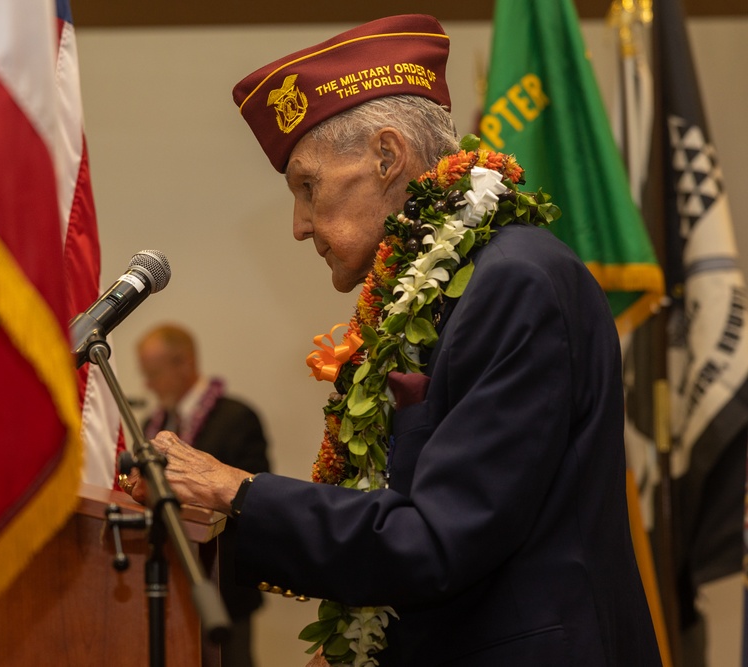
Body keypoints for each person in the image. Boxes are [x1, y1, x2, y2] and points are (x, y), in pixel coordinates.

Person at [125, 15, 661, 666]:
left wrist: (237, 488)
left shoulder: (514, 283)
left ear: (386, 156)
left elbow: (438, 538)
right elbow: (414, 520)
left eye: (307, 186)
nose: (299, 225)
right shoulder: (441, 295)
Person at [135, 323, 271, 667]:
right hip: (165, 587)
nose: (147, 385)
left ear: (184, 362)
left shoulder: (237, 417)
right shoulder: (153, 422)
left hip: (223, 590)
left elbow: (253, 504)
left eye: (153, 373)